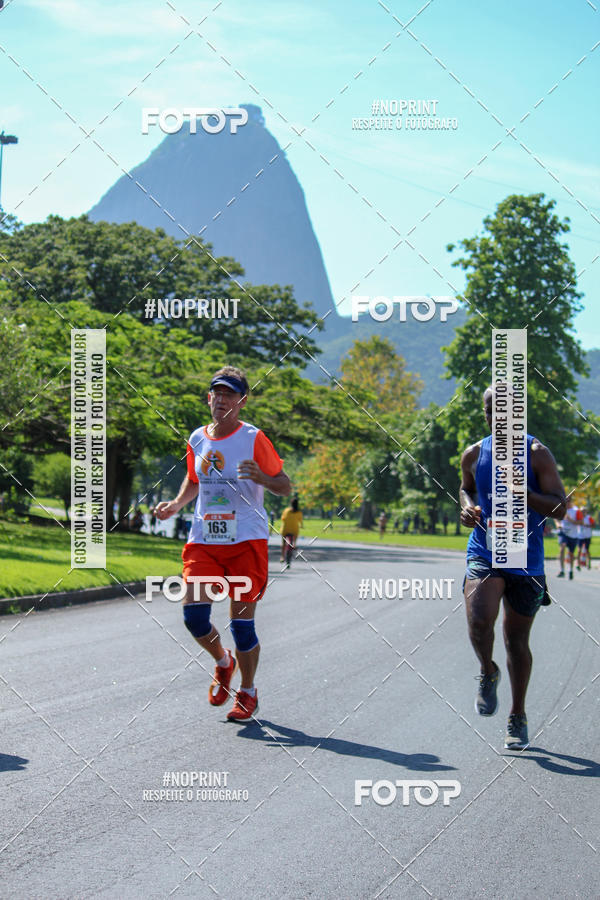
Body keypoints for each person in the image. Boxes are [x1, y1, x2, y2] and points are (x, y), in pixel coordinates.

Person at [155, 366, 290, 721]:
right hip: (204, 539)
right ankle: (222, 660)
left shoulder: (253, 439)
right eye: (217, 392)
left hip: (246, 539)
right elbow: (193, 480)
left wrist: (263, 477)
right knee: (194, 617)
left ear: (242, 401)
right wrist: (175, 504)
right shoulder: (197, 438)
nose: (222, 399)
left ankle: (247, 691)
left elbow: (285, 485)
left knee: (242, 626)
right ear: (209, 398)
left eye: (230, 394)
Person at [460, 386, 567, 750]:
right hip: (485, 550)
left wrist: (525, 494)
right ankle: (488, 671)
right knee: (478, 619)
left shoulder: (537, 454)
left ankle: (516, 716)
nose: (498, 419)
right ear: (486, 413)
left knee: (516, 641)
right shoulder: (474, 454)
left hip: (525, 557)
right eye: (492, 411)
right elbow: (467, 489)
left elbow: (560, 507)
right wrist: (469, 507)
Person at [555, 500, 582, 579]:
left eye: (568, 501)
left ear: (571, 502)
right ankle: (562, 570)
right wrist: (558, 524)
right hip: (563, 532)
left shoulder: (576, 511)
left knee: (571, 553)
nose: (566, 503)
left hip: (573, 535)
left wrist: (571, 520)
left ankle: (570, 570)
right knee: (562, 548)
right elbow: (555, 517)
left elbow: (581, 522)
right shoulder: (561, 509)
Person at [280, 497, 303, 568]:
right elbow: (300, 521)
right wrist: (302, 526)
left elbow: (283, 518)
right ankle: (294, 545)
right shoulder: (299, 512)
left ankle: (282, 557)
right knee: (294, 539)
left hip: (285, 529)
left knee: (284, 543)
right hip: (294, 530)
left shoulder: (286, 510)